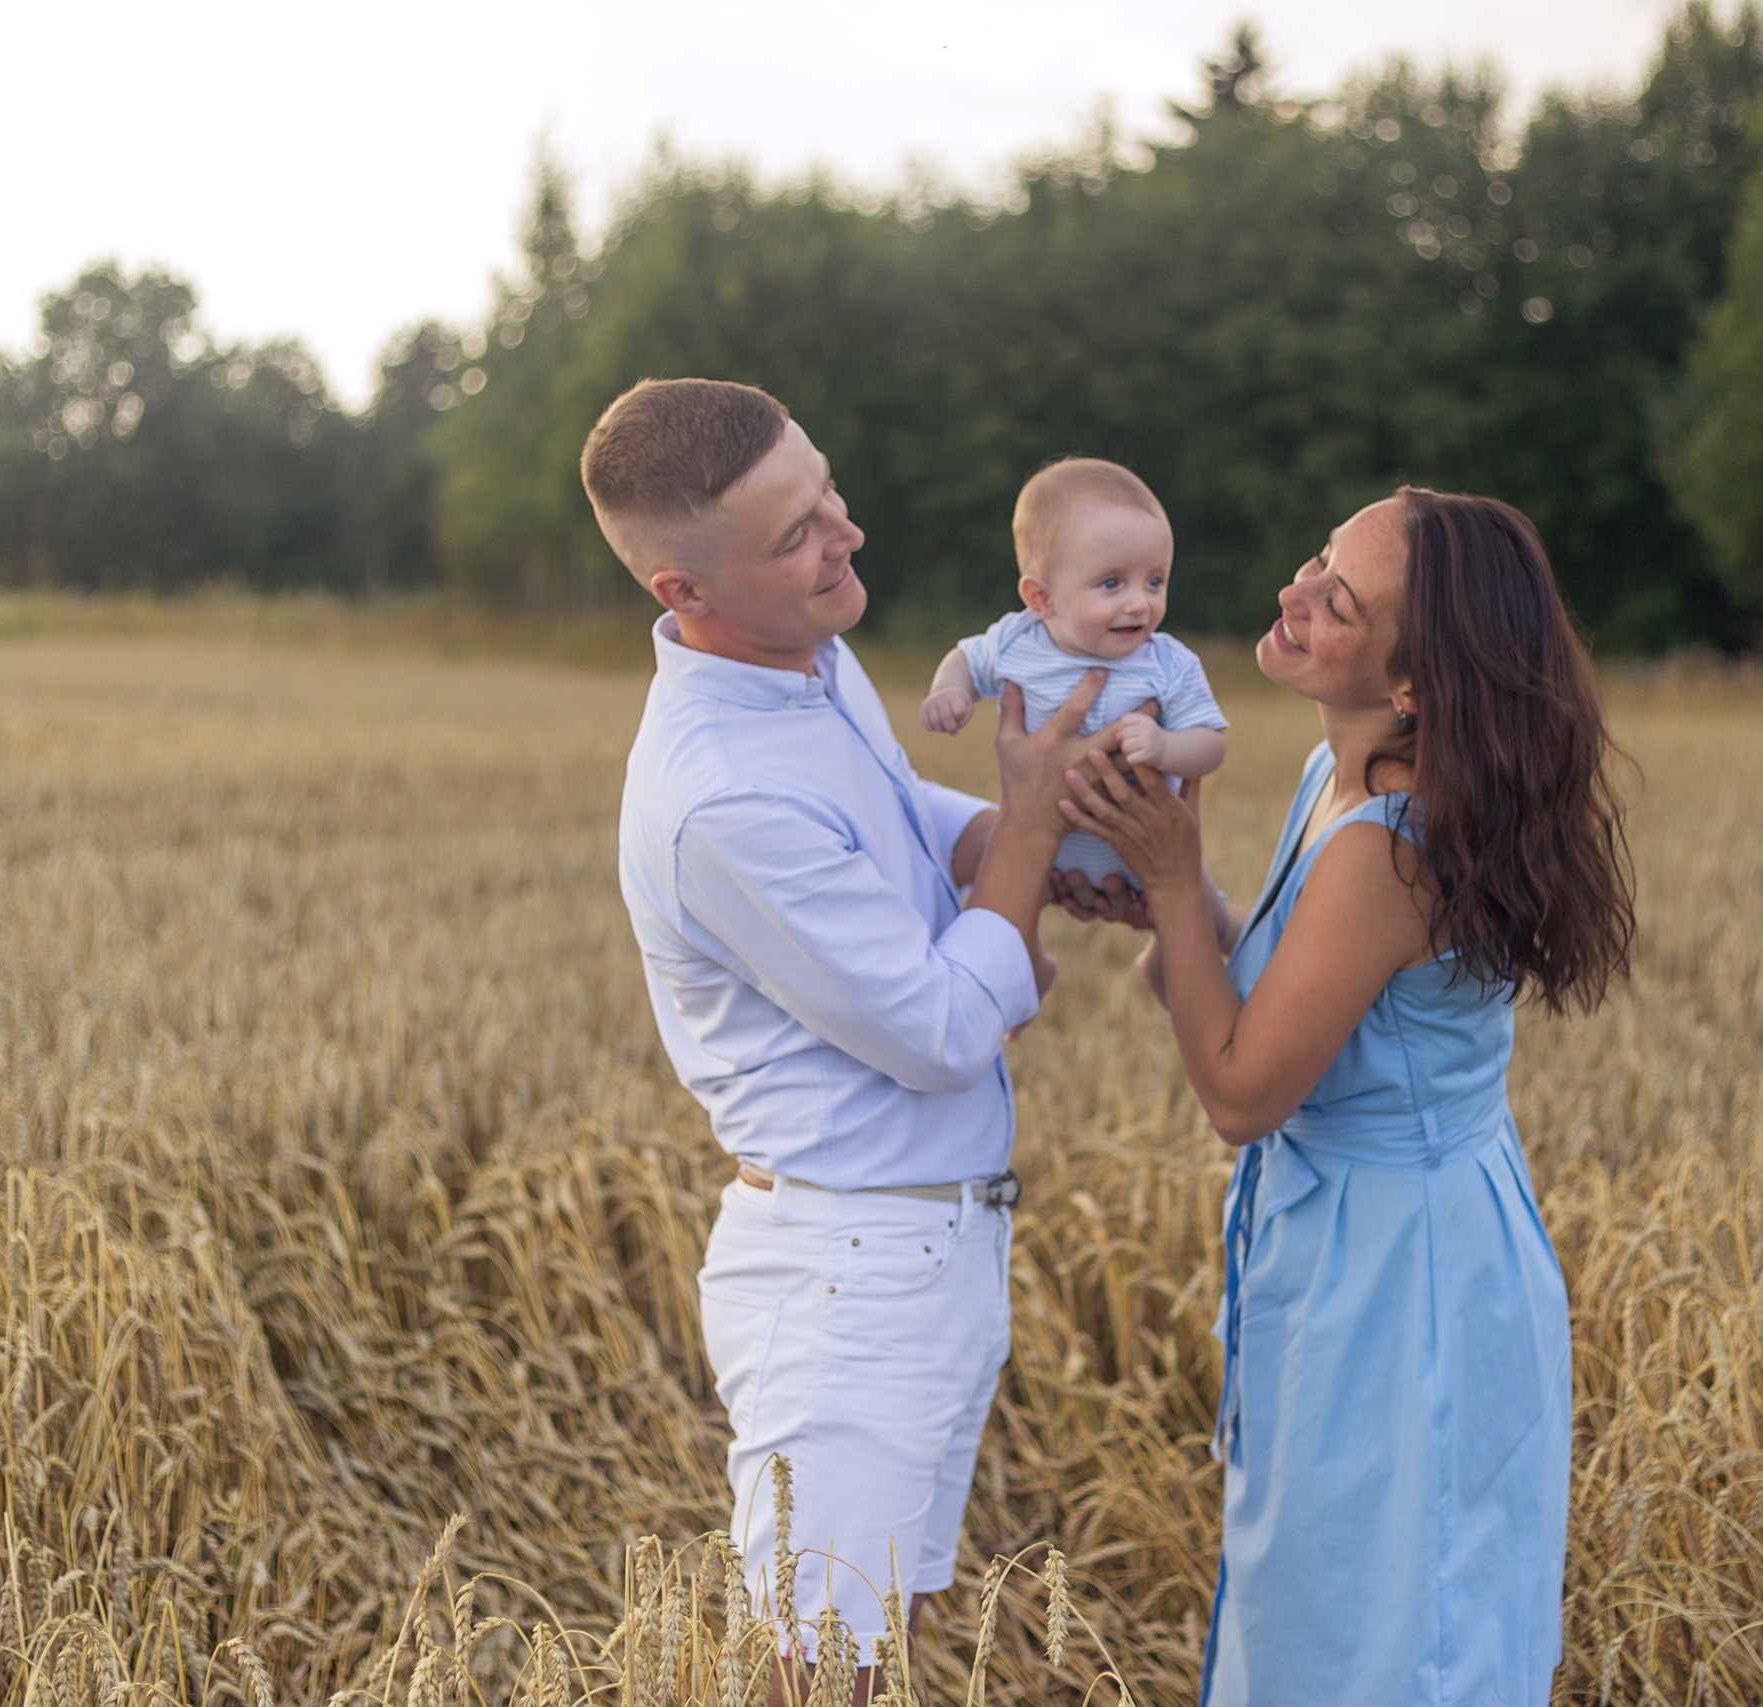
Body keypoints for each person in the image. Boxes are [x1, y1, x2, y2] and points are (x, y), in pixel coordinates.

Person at [583, 378, 1117, 1702]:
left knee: (881, 1640)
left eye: (826, 492)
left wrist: (996, 846)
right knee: (825, 1675)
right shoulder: (720, 795)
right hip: (844, 1280)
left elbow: (889, 807)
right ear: (684, 589)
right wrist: (1031, 827)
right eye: (797, 534)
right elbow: (941, 1029)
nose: (847, 533)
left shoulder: (805, 658)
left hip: (927, 1248)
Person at [1055, 489, 1635, 1706]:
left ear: (1414, 682)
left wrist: (1175, 886)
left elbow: (1241, 1092)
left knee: (1393, 1637)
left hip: (1401, 1278)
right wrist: (1180, 908)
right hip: (1362, 1243)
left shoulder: (1391, 842)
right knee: (1326, 1610)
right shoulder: (1339, 771)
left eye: (1339, 600)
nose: (1293, 594)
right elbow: (1301, 984)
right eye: (1317, 558)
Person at [920, 457, 1228, 892]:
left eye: (1155, 581)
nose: (1139, 604)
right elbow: (966, 660)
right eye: (1111, 583)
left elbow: (1213, 742)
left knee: (1201, 903)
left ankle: (1202, 932)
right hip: (1043, 849)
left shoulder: (1168, 663)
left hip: (1147, 855)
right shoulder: (1016, 641)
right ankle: (1025, 939)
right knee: (1004, 897)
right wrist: (950, 691)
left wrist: (1166, 746)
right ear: (1041, 598)